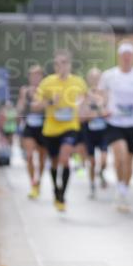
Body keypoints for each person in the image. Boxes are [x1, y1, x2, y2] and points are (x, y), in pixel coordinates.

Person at [99, 42, 133, 213]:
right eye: (124, 54)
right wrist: (103, 108)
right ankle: (120, 186)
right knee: (120, 156)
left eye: (129, 54)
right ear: (119, 56)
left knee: (129, 161)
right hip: (115, 122)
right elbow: (101, 96)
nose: (126, 57)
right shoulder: (109, 75)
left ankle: (123, 190)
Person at [33, 50, 88, 212]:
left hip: (70, 127)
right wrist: (50, 101)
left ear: (70, 64)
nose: (61, 66)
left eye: (64, 63)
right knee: (55, 162)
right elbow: (35, 106)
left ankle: (62, 195)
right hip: (51, 129)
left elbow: (85, 101)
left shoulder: (78, 82)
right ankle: (55, 190)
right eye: (57, 63)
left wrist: (84, 109)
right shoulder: (47, 83)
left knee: (65, 159)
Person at [17, 65, 49, 199]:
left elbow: (46, 106)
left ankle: (39, 180)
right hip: (29, 126)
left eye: (38, 75)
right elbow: (20, 108)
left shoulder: (46, 90)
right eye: (32, 76)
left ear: (42, 77)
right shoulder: (25, 91)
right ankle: (32, 183)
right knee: (29, 156)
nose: (35, 78)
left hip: (44, 127)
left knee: (41, 159)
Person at [82, 68, 110, 199]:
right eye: (92, 78)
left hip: (103, 131)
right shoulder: (84, 94)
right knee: (92, 162)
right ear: (89, 80)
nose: (95, 81)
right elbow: (82, 115)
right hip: (89, 132)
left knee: (104, 160)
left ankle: (102, 172)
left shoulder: (105, 94)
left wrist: (98, 110)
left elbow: (107, 112)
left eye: (97, 78)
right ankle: (92, 185)